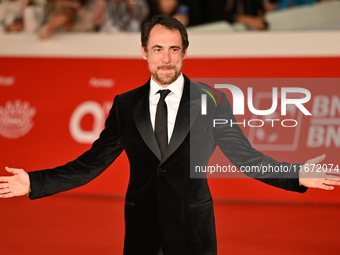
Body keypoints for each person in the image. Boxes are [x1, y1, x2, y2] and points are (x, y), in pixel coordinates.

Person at [0, 15, 339, 255]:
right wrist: (35, 182)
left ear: (184, 53)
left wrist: (296, 174)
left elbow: (245, 157)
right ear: (144, 53)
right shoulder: (125, 104)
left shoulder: (213, 100)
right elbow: (92, 162)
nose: (166, 58)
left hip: (193, 232)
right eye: (158, 49)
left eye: (174, 49)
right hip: (141, 231)